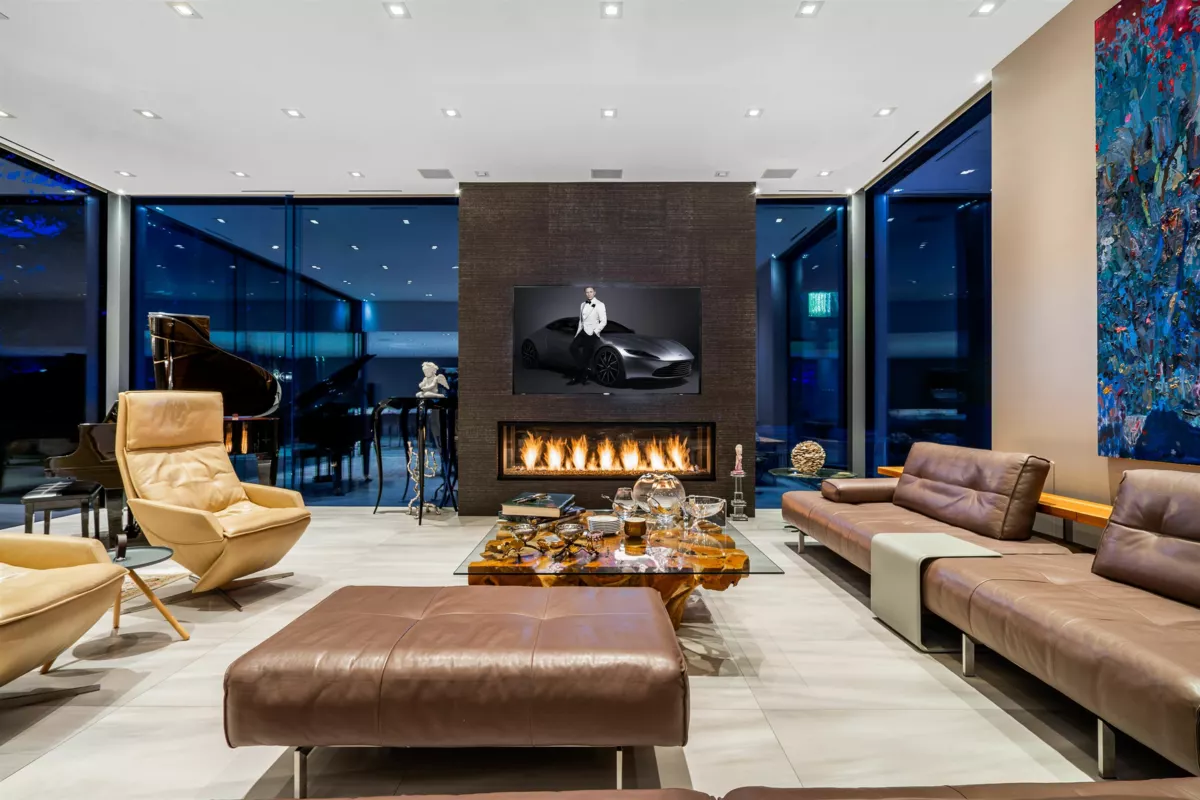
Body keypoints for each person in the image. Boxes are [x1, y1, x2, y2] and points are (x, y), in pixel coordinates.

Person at [568, 286, 607, 385]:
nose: (589, 294)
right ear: (585, 293)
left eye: (591, 292)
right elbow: (581, 321)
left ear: (594, 292)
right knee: (572, 348)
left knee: (586, 355)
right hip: (582, 331)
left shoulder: (600, 304)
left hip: (592, 333)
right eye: (587, 292)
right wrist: (577, 334)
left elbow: (604, 321)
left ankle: (579, 377)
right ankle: (585, 370)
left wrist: (595, 331)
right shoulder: (582, 304)